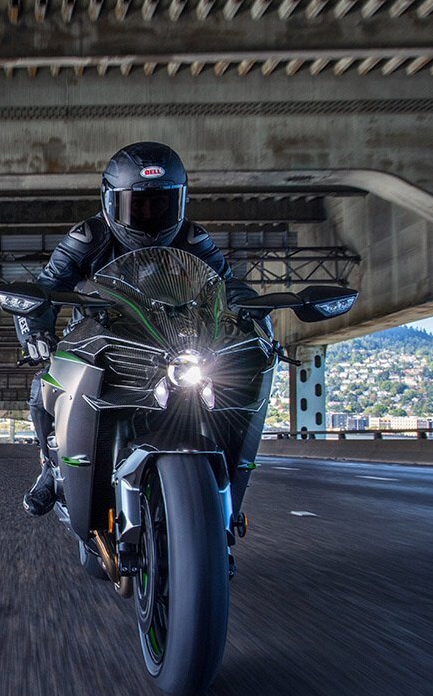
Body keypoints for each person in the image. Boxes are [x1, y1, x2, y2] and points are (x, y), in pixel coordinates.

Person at [17, 141, 263, 516]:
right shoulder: (88, 238)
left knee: (229, 380)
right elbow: (48, 287)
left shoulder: (193, 239)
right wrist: (36, 331)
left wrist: (254, 314)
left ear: (179, 202)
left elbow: (228, 284)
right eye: (138, 205)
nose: (149, 215)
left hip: (172, 339)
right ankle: (50, 468)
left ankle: (222, 486)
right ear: (110, 201)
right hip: (101, 336)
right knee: (43, 388)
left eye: (160, 204)